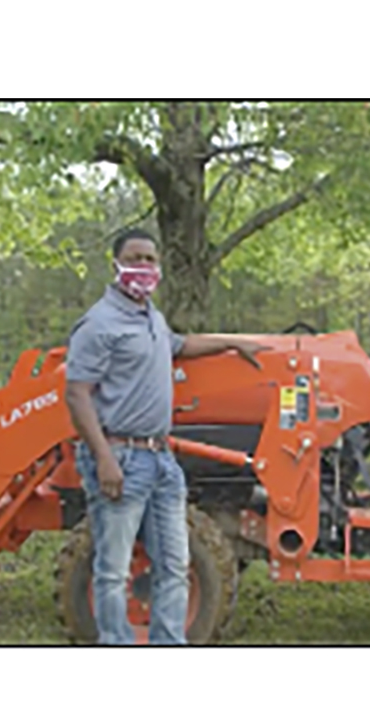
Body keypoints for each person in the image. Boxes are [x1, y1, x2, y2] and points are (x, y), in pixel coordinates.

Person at [64, 228, 269, 645]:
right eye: (135, 258)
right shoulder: (98, 324)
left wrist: (230, 343)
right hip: (120, 456)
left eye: (150, 259)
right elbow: (76, 393)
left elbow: (179, 345)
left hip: (161, 458)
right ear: (117, 264)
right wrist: (103, 457)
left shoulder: (151, 317)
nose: (144, 266)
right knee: (113, 570)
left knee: (175, 565)